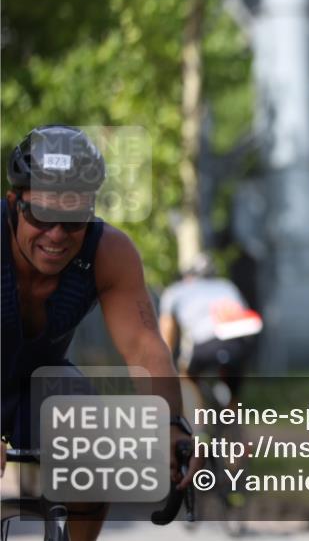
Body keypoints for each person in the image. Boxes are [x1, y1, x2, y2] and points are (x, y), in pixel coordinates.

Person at [1, 125, 198, 540]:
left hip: (40, 382)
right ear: (15, 203)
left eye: (73, 219)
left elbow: (144, 347)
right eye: (42, 215)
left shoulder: (109, 252)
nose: (56, 235)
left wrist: (171, 424)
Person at [158, 253, 262, 409]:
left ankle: (197, 418)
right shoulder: (226, 286)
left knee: (186, 378)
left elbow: (167, 330)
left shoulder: (175, 291)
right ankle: (232, 413)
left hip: (205, 345)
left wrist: (165, 358)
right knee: (233, 386)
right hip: (236, 345)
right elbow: (243, 316)